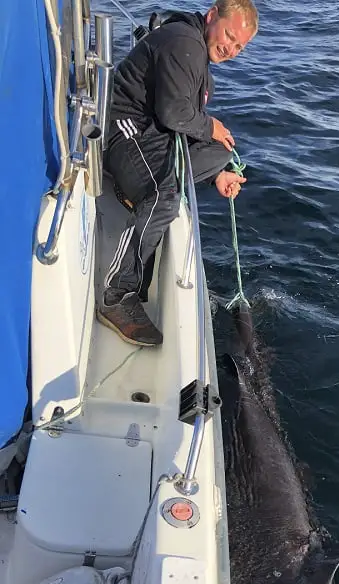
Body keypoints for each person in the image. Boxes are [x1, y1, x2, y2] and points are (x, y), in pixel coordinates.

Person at [97, 0, 258, 346]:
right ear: (212, 15)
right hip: (124, 132)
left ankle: (141, 186)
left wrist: (217, 173)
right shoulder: (183, 43)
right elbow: (174, 114)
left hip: (152, 135)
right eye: (229, 36)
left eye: (239, 47)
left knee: (221, 152)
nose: (231, 49)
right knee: (164, 197)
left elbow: (180, 123)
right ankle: (117, 297)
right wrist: (210, 126)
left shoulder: (195, 51)